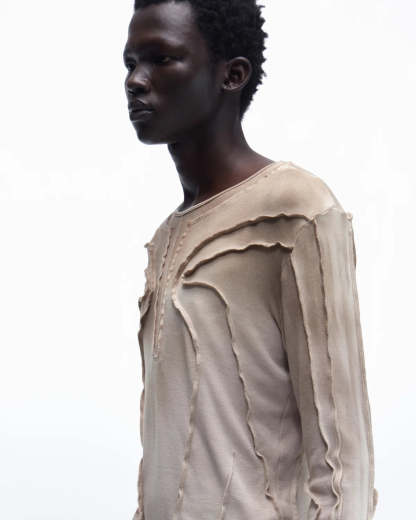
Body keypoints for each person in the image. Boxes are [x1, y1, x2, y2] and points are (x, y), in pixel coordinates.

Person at [123, 1, 378, 518]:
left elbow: (343, 465)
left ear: (232, 74)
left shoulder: (297, 210)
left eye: (161, 59)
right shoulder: (166, 236)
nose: (135, 80)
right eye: (130, 62)